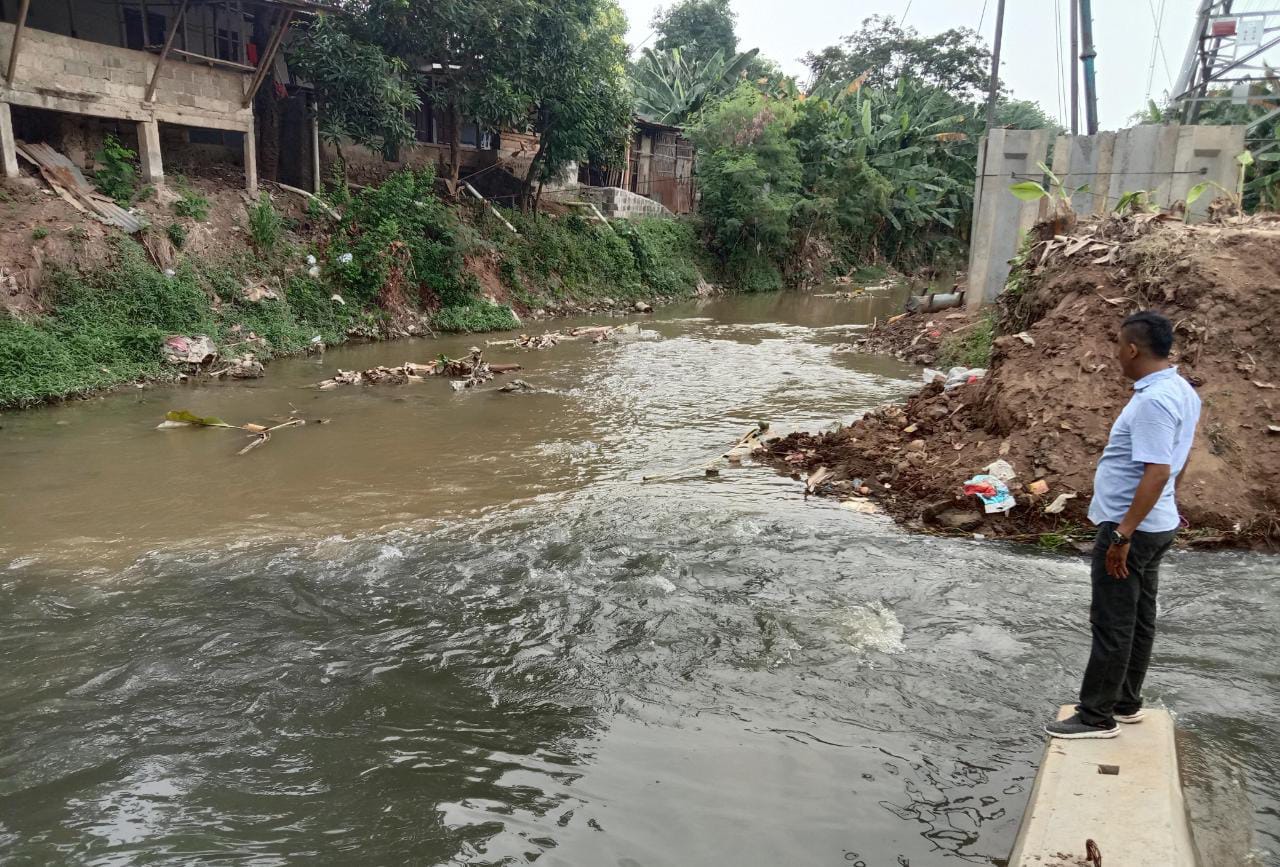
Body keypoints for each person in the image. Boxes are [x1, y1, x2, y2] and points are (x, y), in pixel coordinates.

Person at [1045, 310, 1202, 740]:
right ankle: (1126, 702)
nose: (1115, 354)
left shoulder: (1152, 401)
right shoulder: (1180, 389)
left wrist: (1122, 533)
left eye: (1118, 345)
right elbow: (1177, 461)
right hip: (1156, 522)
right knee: (1139, 616)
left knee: (1112, 621)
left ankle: (1096, 716)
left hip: (1133, 527)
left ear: (1132, 349)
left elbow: (1156, 470)